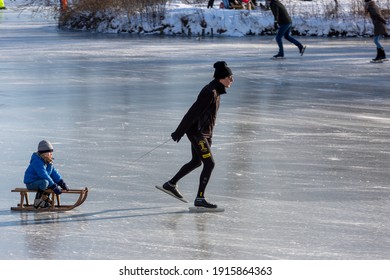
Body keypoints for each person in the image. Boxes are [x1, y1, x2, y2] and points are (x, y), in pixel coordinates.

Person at [161, 61, 233, 209]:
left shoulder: (216, 92)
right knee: (209, 163)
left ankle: (171, 184)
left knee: (196, 161)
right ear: (222, 78)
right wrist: (179, 131)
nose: (232, 80)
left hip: (204, 134)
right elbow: (193, 112)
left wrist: (209, 136)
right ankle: (200, 198)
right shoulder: (210, 92)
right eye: (230, 77)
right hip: (197, 133)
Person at [24, 140, 69, 209]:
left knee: (49, 183)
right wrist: (53, 186)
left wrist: (61, 182)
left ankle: (44, 199)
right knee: (46, 182)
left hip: (40, 182)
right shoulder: (37, 162)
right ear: (43, 153)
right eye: (49, 152)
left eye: (51, 152)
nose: (51, 154)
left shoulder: (48, 162)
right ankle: (37, 201)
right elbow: (43, 175)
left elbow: (54, 173)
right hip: (31, 183)